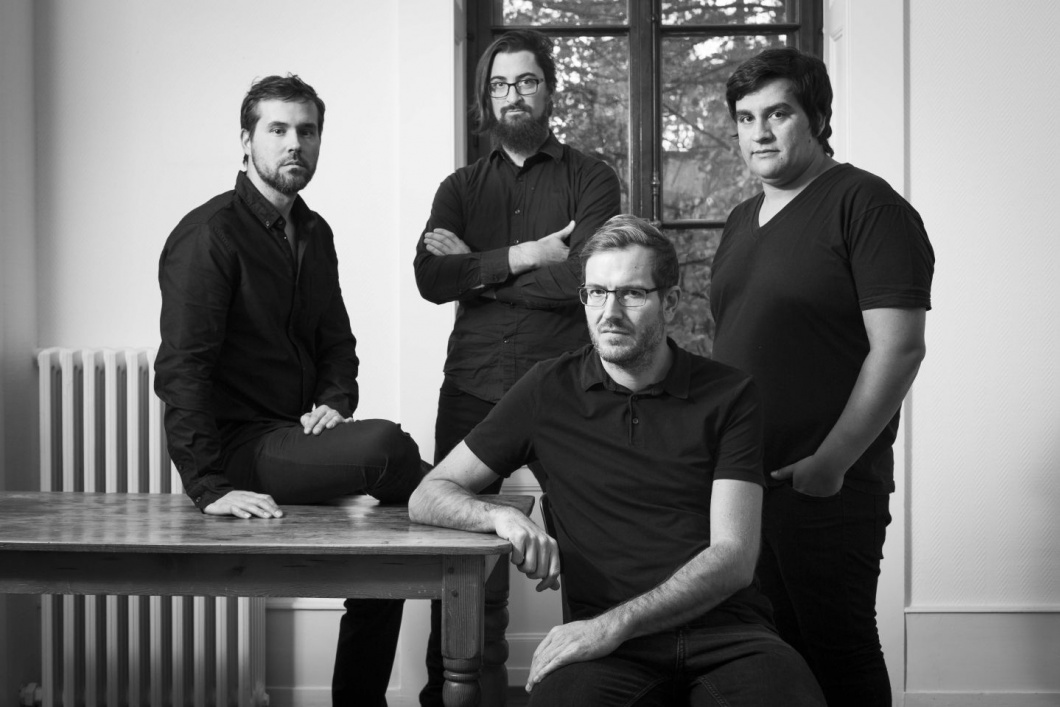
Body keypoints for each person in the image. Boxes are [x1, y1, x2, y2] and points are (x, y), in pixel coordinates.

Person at [410, 215, 826, 706]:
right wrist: (499, 516)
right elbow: (429, 494)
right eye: (597, 293)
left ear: (670, 301)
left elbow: (733, 558)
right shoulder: (546, 389)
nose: (610, 312)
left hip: (729, 636)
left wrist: (615, 624)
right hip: (604, 653)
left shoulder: (730, 395)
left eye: (632, 294)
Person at [155, 74, 426, 707]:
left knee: (393, 540)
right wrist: (208, 486)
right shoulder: (209, 234)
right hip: (240, 450)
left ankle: (359, 700)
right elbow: (182, 370)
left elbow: (338, 341)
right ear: (246, 141)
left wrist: (334, 402)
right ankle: (463, 495)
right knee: (391, 450)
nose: (294, 143)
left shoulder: (315, 231)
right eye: (277, 129)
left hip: (296, 436)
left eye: (307, 130)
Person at [710, 47, 935, 707]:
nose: (759, 131)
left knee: (839, 648)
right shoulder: (740, 220)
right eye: (745, 117)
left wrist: (830, 462)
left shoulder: (867, 205)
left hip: (824, 484)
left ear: (816, 116)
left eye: (778, 113)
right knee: (771, 654)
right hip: (745, 482)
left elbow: (899, 349)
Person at [412, 28, 621, 704]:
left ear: (549, 90)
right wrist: (528, 255)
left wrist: (479, 269)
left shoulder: (591, 177)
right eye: (500, 85)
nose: (513, 95)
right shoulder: (460, 187)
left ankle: (594, 688)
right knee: (457, 552)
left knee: (591, 546)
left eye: (526, 81)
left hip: (567, 388)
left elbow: (586, 279)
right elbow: (430, 278)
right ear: (486, 97)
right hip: (472, 387)